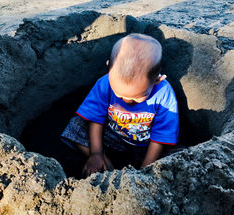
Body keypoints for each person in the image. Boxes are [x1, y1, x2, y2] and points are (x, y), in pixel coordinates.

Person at [61, 33, 179, 177]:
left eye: (137, 97)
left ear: (157, 80)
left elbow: (160, 137)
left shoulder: (164, 95)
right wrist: (96, 153)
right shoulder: (104, 83)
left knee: (178, 155)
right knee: (75, 126)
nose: (127, 100)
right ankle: (103, 162)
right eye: (120, 95)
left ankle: (124, 168)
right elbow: (96, 119)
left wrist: (145, 173)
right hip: (114, 138)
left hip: (146, 146)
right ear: (108, 68)